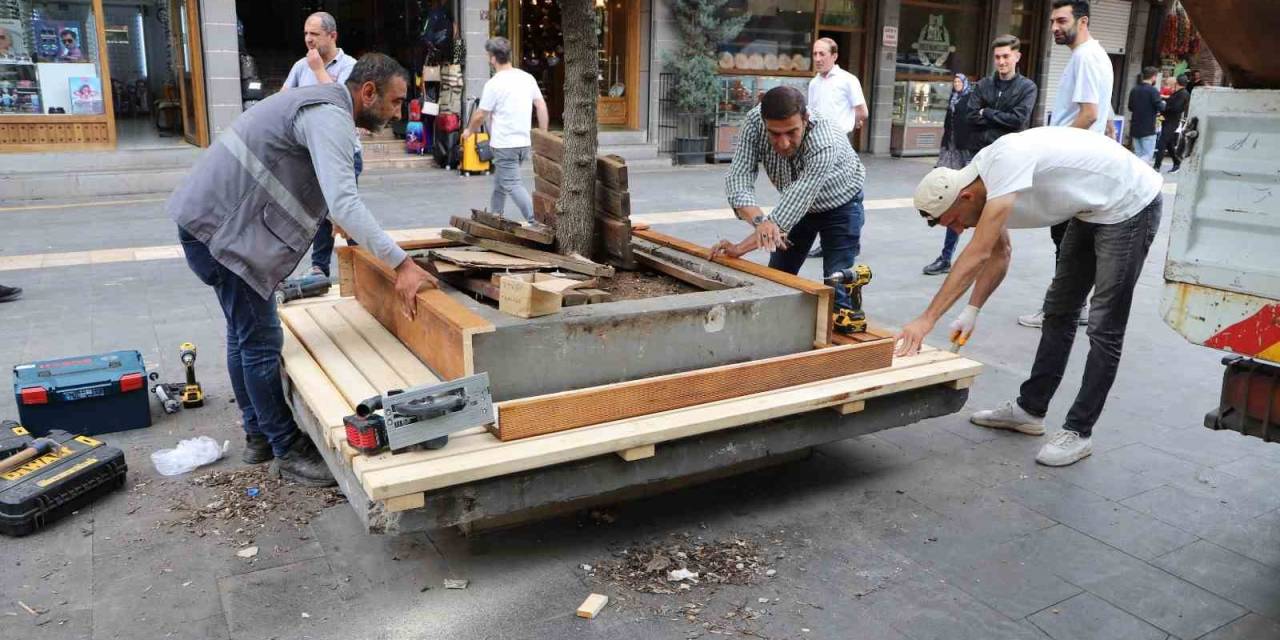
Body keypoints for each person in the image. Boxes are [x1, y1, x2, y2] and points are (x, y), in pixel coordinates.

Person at [168, 54, 434, 486]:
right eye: (395, 102)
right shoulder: (329, 115)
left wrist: (345, 225)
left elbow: (329, 195)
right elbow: (345, 200)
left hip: (212, 225)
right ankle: (286, 449)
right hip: (221, 232)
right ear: (368, 92)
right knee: (261, 340)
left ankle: (257, 435)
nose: (397, 113)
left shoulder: (318, 105)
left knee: (243, 334)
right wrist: (401, 264)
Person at [900, 126, 1163, 467]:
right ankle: (1030, 410)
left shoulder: (1003, 167)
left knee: (1103, 326)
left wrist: (926, 319)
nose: (957, 230)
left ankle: (1079, 431)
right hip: (1089, 209)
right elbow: (999, 253)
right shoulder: (983, 188)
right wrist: (972, 310)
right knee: (1058, 310)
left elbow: (978, 253)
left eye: (952, 221)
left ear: (964, 197)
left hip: (1129, 204)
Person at [712, 86, 867, 331]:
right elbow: (738, 179)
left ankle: (842, 349)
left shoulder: (824, 139)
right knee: (778, 278)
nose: (783, 143)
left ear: (805, 119)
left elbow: (787, 213)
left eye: (792, 132)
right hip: (795, 205)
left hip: (842, 206)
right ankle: (774, 336)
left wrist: (740, 248)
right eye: (774, 134)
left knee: (837, 285)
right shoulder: (754, 122)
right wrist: (760, 221)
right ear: (764, 123)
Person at [1017, 0, 1112, 329]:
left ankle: (1059, 310)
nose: (1055, 28)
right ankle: (1074, 306)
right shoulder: (1097, 55)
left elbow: (1090, 113)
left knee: (1066, 244)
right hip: (1086, 162)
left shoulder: (1085, 57)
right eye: (1052, 22)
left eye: (1061, 21)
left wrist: (1053, 148)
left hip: (1073, 165)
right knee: (1072, 243)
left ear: (1082, 21)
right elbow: (1107, 117)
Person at [281, 11, 360, 282]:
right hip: (310, 154)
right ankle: (319, 268)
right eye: (305, 34)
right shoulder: (300, 67)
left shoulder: (351, 67)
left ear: (332, 36)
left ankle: (362, 262)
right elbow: (283, 101)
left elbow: (342, 103)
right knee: (320, 212)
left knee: (343, 210)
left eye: (314, 34)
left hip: (342, 154)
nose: (308, 40)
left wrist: (318, 70)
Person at [462, 37, 549, 227]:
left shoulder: (494, 84)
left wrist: (469, 131)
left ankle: (536, 221)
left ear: (493, 58)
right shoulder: (527, 78)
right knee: (501, 182)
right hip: (523, 143)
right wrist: (543, 134)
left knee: (512, 184)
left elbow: (480, 115)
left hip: (504, 144)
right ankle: (495, 217)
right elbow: (540, 105)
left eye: (488, 56)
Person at [805, 37, 868, 259]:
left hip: (840, 144)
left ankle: (852, 237)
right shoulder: (814, 83)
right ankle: (827, 240)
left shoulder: (848, 80)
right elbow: (810, 113)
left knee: (849, 191)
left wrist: (852, 125)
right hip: (819, 146)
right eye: (815, 54)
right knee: (824, 191)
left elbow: (862, 111)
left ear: (834, 56)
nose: (818, 59)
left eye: (822, 54)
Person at [920, 73, 976, 276]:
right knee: (954, 202)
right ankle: (946, 258)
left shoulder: (971, 100)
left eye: (960, 81)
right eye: (955, 82)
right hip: (951, 150)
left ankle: (953, 259)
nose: (957, 84)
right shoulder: (954, 99)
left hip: (967, 154)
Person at [1127, 66, 1164, 163]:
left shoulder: (1134, 90)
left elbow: (1130, 107)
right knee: (1147, 156)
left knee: (1138, 153)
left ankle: (1135, 174)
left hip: (1135, 127)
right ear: (1153, 77)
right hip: (1148, 128)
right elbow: (1160, 107)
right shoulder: (1153, 91)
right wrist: (1164, 104)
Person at [1154, 74, 1190, 173]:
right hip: (1169, 120)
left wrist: (1164, 107)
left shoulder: (1182, 94)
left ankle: (1157, 166)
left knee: (1162, 142)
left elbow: (1175, 108)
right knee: (1169, 143)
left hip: (1172, 121)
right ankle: (1177, 162)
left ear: (1177, 83)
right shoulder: (1179, 93)